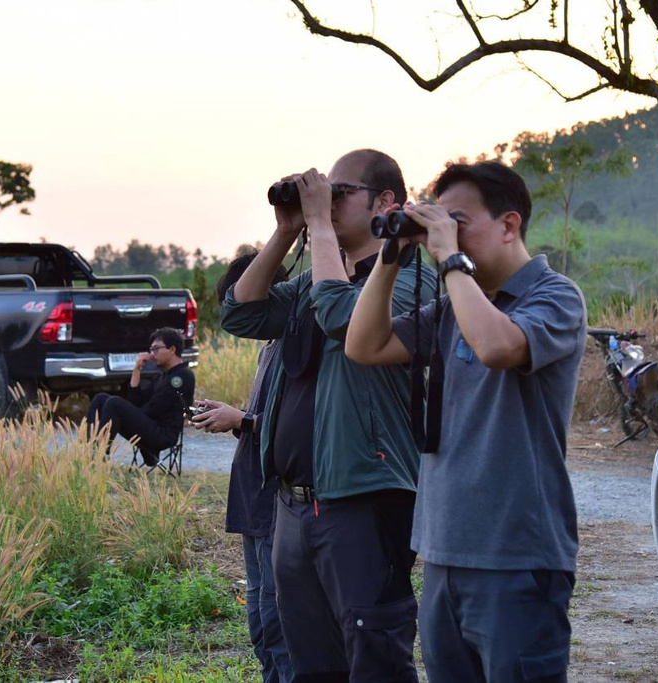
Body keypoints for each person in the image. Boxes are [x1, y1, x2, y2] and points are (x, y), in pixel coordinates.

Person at [345, 160, 586, 683]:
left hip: (516, 558)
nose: (444, 235)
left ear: (508, 225)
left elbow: (498, 346)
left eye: (458, 223)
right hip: (443, 551)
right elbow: (363, 345)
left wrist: (451, 259)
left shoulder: (556, 296)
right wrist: (390, 255)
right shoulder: (453, 307)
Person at [221, 149, 435, 682]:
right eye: (325, 194)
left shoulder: (412, 280)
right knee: (312, 664)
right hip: (294, 505)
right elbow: (240, 313)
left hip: (363, 497)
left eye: (341, 193)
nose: (329, 202)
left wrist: (318, 225)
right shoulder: (312, 280)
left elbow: (342, 314)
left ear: (385, 202)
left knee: (374, 657)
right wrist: (286, 231)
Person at [192, 251, 294, 683]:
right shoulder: (270, 347)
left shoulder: (299, 343)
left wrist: (243, 419)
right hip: (252, 498)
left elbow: (303, 428)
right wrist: (235, 416)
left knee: (276, 618)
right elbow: (263, 418)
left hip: (276, 502)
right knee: (258, 617)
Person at [86, 327, 195, 465]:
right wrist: (137, 369)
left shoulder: (182, 377)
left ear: (172, 349)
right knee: (101, 399)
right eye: (151, 349)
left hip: (162, 434)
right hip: (151, 426)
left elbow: (153, 409)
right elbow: (136, 401)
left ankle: (98, 456)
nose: (152, 354)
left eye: (156, 349)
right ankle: (89, 450)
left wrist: (127, 413)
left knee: (114, 404)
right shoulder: (163, 375)